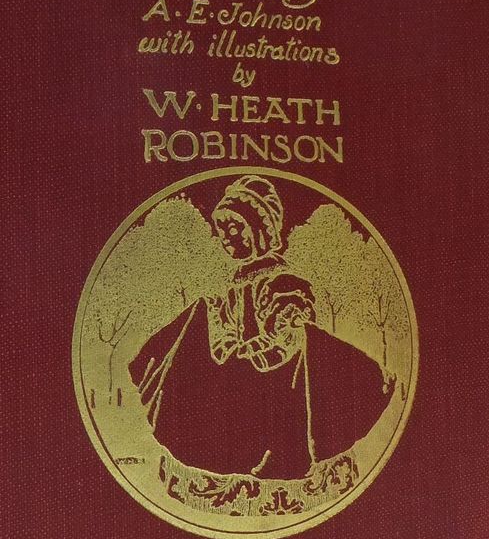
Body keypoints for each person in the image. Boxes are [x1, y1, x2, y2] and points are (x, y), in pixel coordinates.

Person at [130, 175, 389, 483]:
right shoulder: (233, 287)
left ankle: (282, 453)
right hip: (243, 369)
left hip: (276, 371)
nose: (226, 238)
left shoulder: (282, 282)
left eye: (234, 228)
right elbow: (225, 333)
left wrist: (249, 353)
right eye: (222, 231)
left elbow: (287, 338)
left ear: (259, 230)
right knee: (198, 313)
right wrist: (227, 345)